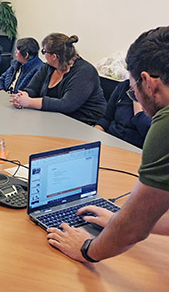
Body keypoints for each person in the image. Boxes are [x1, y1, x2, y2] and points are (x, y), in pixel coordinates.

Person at [46, 26, 169, 263]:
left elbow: (134, 230)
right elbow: (147, 215)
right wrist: (121, 216)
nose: (137, 100)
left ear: (147, 82)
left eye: (133, 92)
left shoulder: (164, 125)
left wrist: (86, 249)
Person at [10, 33, 106, 125]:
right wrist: (22, 97)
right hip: (54, 120)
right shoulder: (48, 67)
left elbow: (66, 105)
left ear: (54, 56)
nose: (43, 55)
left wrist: (29, 102)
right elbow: (32, 88)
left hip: (84, 124)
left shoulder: (85, 72)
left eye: (44, 51)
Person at [94, 79, 151, 148]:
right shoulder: (124, 86)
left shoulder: (157, 96)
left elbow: (149, 134)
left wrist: (136, 100)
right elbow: (107, 118)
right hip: (110, 139)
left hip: (133, 148)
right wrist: (96, 132)